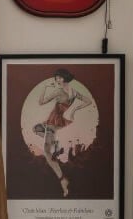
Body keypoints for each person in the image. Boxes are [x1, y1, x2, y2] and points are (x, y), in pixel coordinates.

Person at [35, 69, 92, 197]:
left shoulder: (58, 91)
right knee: (36, 129)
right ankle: (55, 144)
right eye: (56, 78)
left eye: (59, 78)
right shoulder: (74, 92)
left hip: (53, 122)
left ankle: (62, 180)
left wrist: (44, 87)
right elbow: (88, 101)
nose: (57, 80)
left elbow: (41, 102)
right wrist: (75, 109)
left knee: (46, 152)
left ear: (65, 78)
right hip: (56, 121)